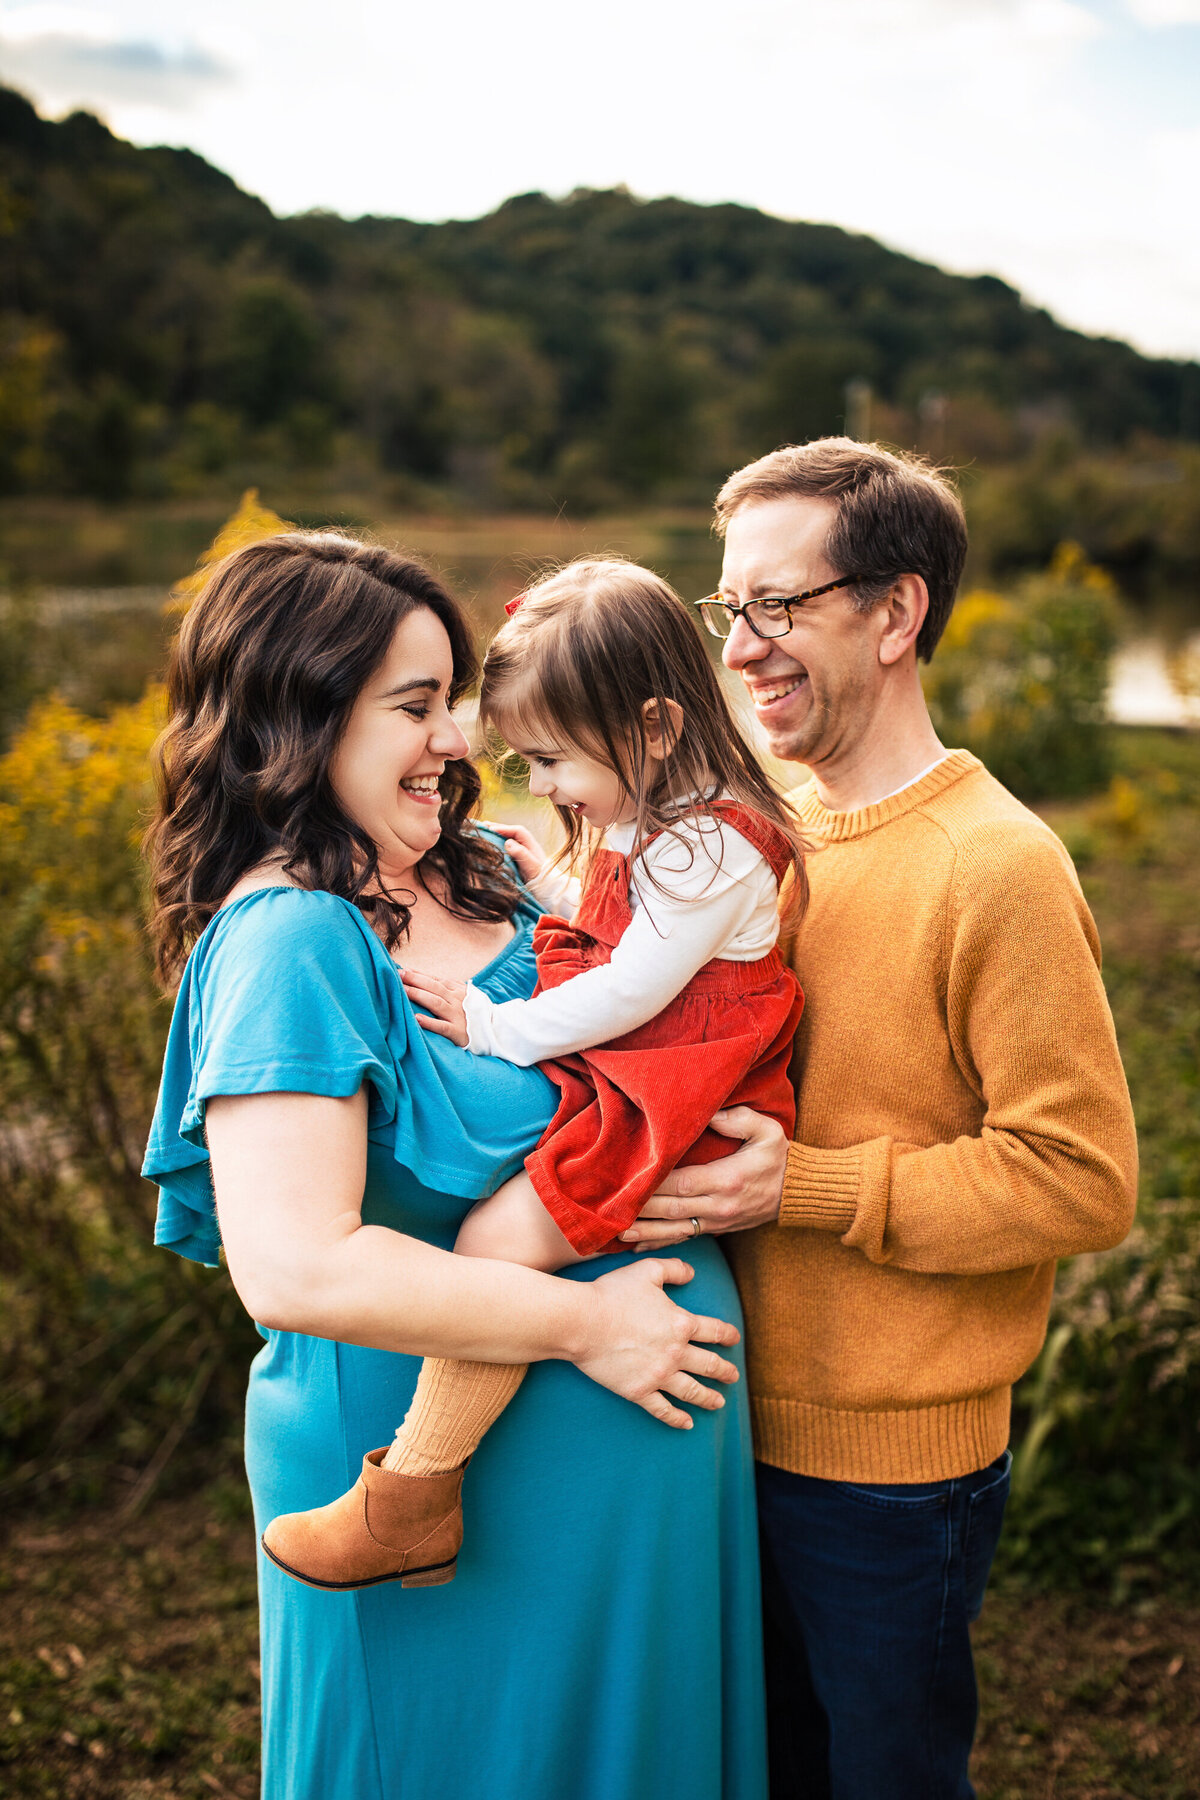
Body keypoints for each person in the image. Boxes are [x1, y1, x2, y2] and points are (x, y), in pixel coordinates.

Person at [141, 534, 768, 1800]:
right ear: (301, 720)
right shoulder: (292, 941)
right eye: (415, 708)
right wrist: (586, 1328)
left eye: (456, 704)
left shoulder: (490, 873)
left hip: (634, 1502)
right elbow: (295, 1266)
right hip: (443, 1513)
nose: (458, 742)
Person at [624, 440, 1140, 1800]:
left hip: (890, 1479)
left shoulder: (999, 866)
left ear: (896, 613)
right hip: (718, 1421)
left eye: (779, 607)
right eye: (728, 608)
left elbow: (1081, 1182)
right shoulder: (758, 826)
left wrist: (807, 1188)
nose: (741, 651)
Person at [262, 558, 806, 1590]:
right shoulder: (665, 825)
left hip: (669, 1086)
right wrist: (552, 880)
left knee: (498, 1243)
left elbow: (628, 993)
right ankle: (413, 1495)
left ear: (650, 729)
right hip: (654, 1064)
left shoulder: (713, 851)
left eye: (553, 760)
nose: (544, 785)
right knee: (501, 1236)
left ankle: (412, 1494)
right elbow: (627, 928)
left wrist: (495, 1026)